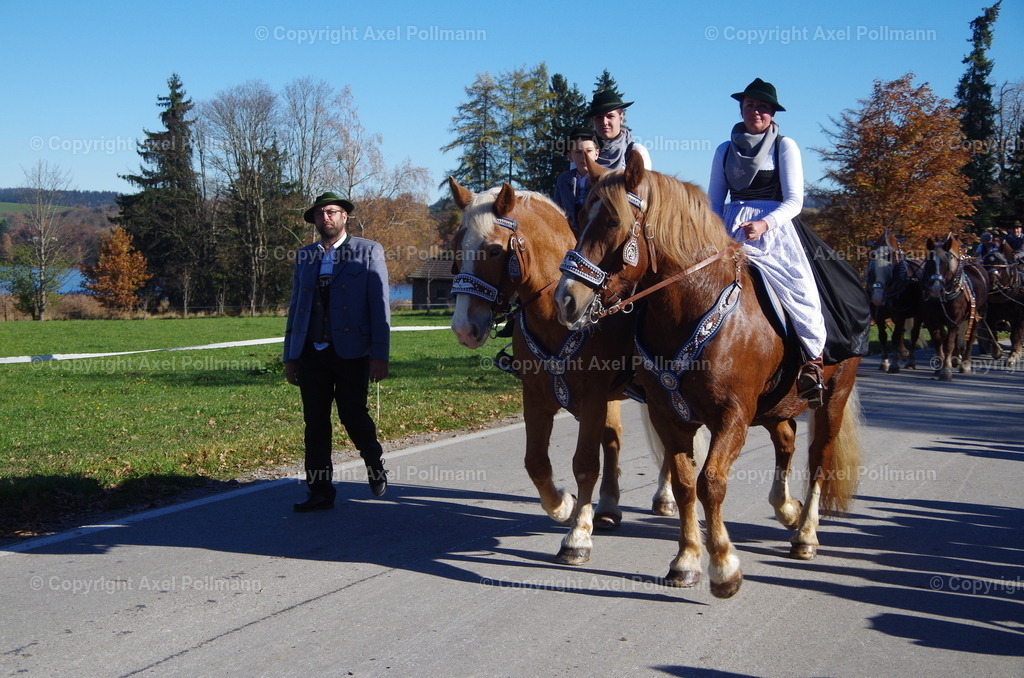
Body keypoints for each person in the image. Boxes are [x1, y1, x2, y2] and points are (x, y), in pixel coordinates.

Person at [707, 78, 828, 406]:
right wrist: (716, 234)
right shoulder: (724, 150)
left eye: (762, 107)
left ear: (772, 112)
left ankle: (811, 363)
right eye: (750, 106)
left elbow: (795, 200)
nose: (755, 112)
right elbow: (714, 203)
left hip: (774, 231)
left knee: (799, 289)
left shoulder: (784, 146)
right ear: (741, 109)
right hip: (731, 230)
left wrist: (764, 223)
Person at [283, 192, 391, 511]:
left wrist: (380, 355)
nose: (325, 218)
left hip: (353, 352)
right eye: (320, 214)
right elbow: (296, 308)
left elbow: (380, 306)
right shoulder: (305, 256)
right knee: (315, 423)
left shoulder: (368, 251)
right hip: (311, 353)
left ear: (345, 217)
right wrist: (290, 357)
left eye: (332, 212)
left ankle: (374, 462)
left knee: (352, 414)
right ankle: (319, 491)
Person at [553, 127, 602, 234]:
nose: (584, 156)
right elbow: (556, 209)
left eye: (589, 151)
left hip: (595, 235)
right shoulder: (563, 180)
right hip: (568, 234)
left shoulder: (605, 180)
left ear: (597, 153)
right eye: (578, 152)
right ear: (570, 155)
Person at [587, 89, 652, 170]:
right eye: (598, 118)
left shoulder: (635, 152)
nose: (604, 122)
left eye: (610, 116)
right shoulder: (583, 153)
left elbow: (643, 182)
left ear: (621, 118)